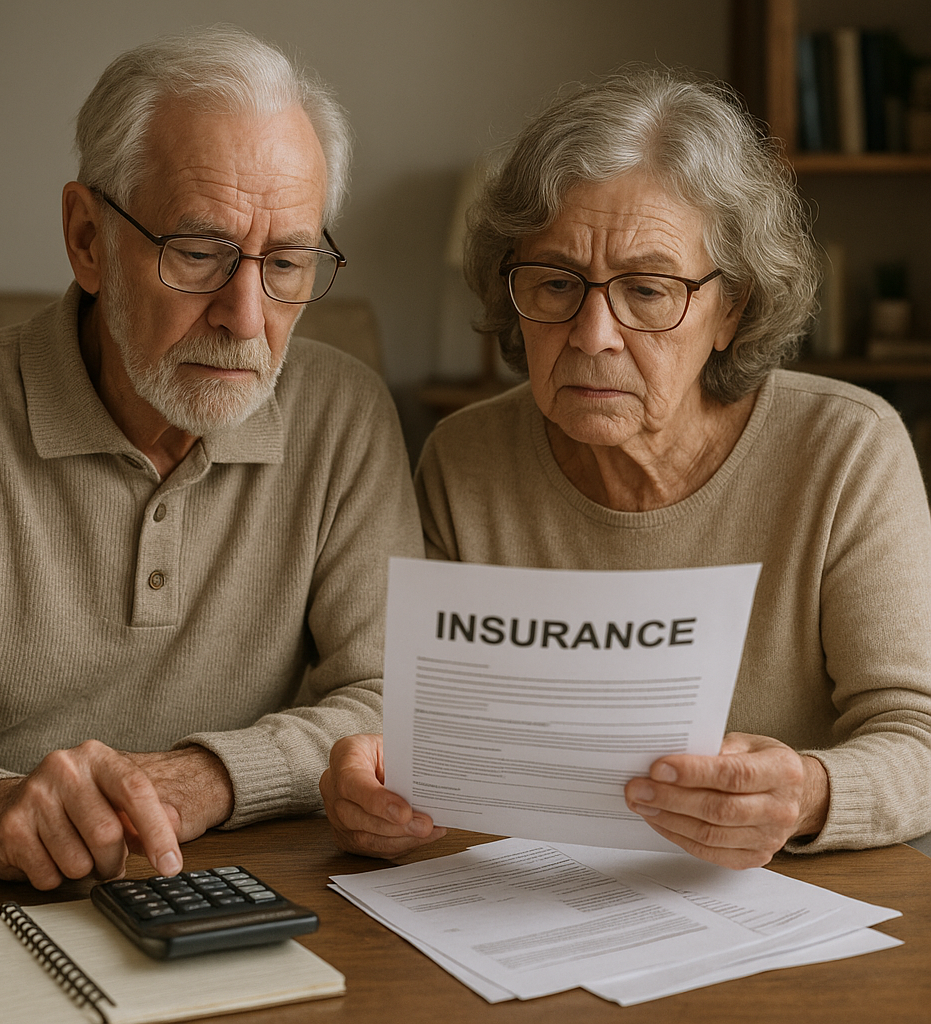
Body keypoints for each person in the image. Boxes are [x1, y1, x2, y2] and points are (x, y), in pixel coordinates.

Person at [321, 69, 931, 869]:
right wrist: (371, 783)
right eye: (556, 283)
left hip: (783, 897)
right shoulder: (465, 459)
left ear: (732, 308)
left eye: (646, 290)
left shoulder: (845, 450)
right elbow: (420, 726)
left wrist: (809, 793)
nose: (593, 334)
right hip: (528, 895)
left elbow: (918, 736)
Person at [0, 26, 422, 889]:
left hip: (241, 882)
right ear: (87, 238)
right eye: (198, 253)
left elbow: (393, 697)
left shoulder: (345, 416)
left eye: (287, 263)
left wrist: (210, 776)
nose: (246, 318)